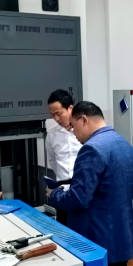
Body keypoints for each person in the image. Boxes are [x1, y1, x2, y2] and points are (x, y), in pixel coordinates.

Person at [46, 101, 133, 266]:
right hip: (121, 234)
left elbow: (78, 199)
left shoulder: (92, 149)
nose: (74, 133)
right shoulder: (124, 143)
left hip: (98, 237)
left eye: (73, 127)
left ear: (84, 120)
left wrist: (54, 194)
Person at [45, 89, 82, 226]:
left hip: (81, 186)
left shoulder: (83, 131)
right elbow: (52, 160)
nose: (56, 119)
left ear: (70, 108)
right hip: (62, 188)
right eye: (52, 115)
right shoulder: (52, 134)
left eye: (59, 113)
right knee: (63, 226)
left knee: (81, 226)